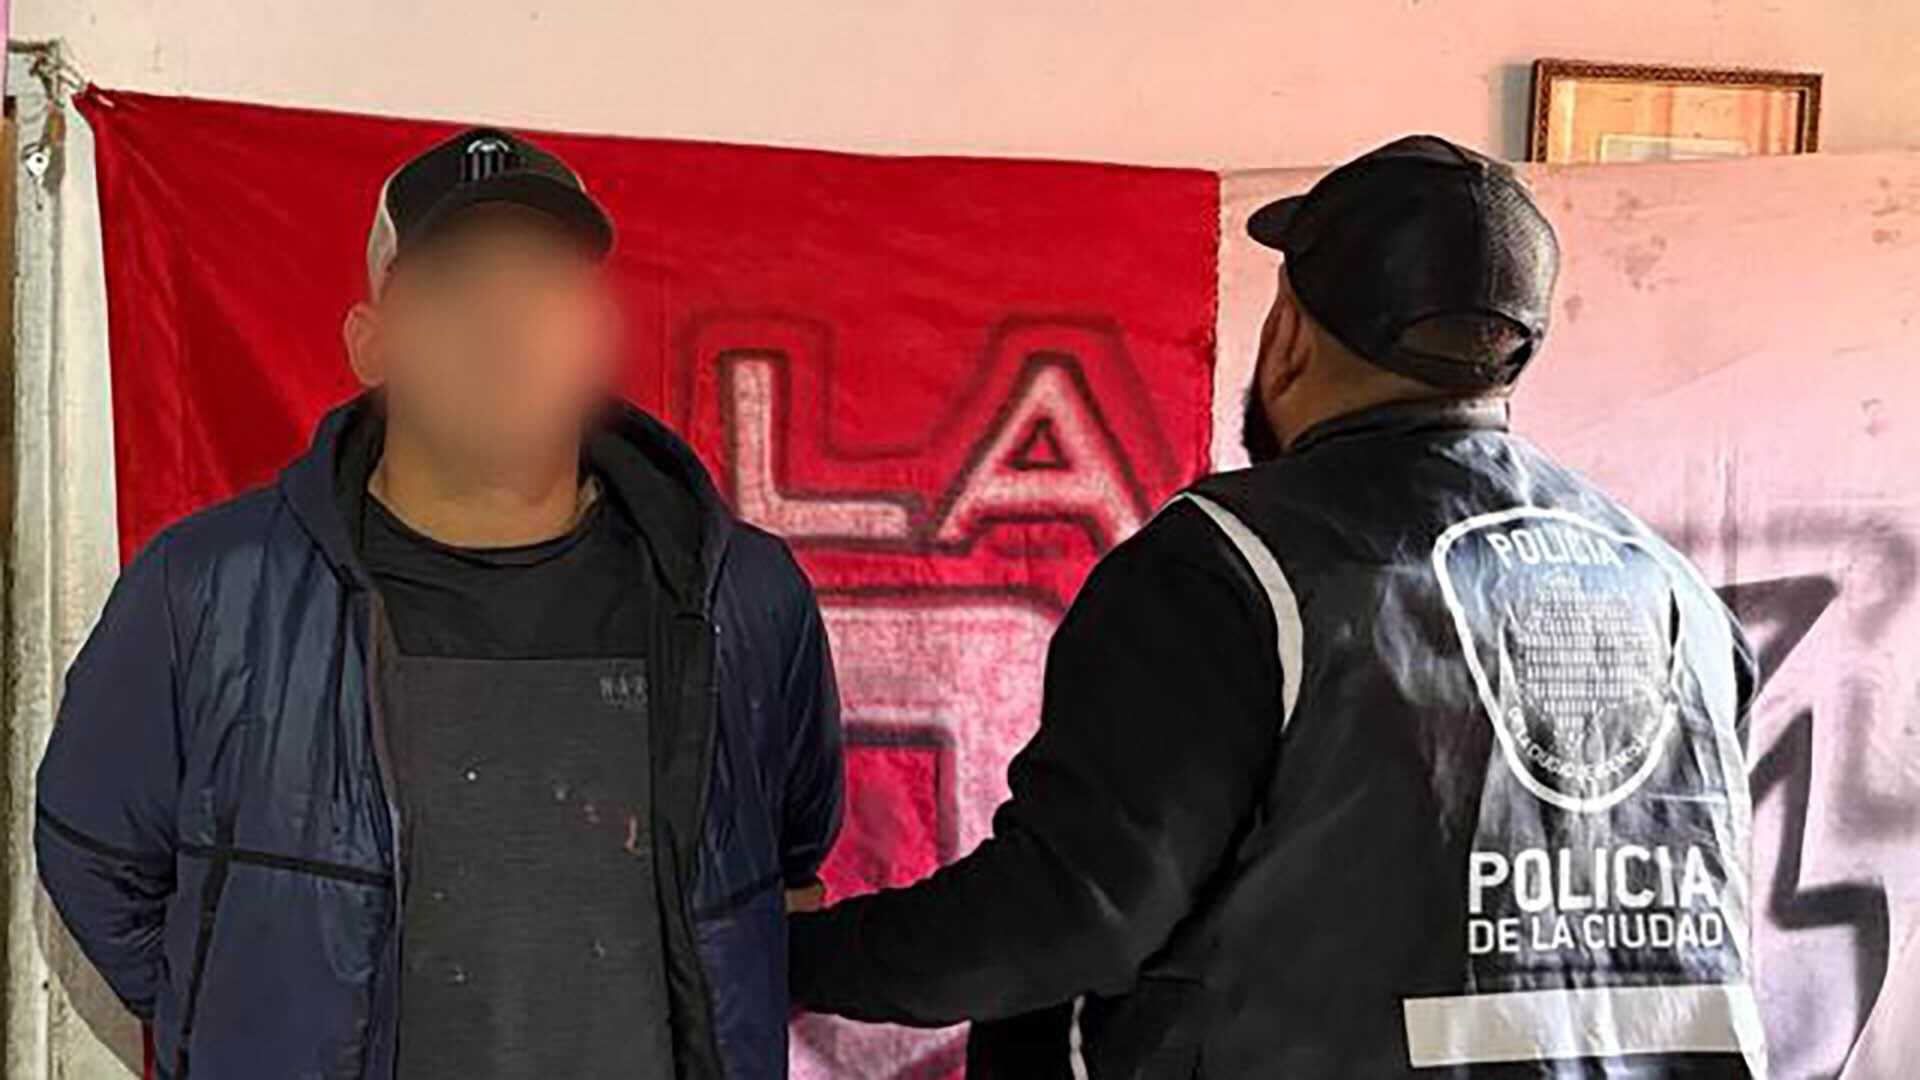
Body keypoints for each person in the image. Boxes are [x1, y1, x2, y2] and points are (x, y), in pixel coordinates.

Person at [790, 135, 1765, 1078]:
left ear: (1288, 334)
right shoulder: (1671, 590)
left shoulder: (1228, 567)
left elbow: (1069, 916)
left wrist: (793, 952)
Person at [36, 127, 842, 1080]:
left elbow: (789, 863)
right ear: (370, 342)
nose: (505, 327)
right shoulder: (207, 591)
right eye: (454, 288)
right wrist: (239, 1025)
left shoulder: (740, 597)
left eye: (544, 287)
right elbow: (96, 857)